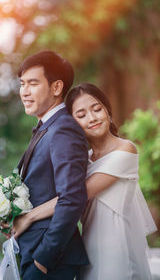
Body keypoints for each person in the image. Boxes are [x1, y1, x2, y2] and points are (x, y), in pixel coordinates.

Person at [13, 83, 157, 280]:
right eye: (81, 115)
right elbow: (60, 199)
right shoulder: (83, 159)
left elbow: (76, 195)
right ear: (73, 124)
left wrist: (29, 217)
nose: (92, 118)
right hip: (88, 248)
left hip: (118, 247)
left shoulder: (126, 150)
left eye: (97, 109)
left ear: (108, 111)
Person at [13, 51, 89, 280]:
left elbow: (72, 197)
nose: (24, 92)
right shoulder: (47, 127)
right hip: (35, 252)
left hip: (51, 261)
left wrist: (43, 260)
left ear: (56, 88)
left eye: (33, 83)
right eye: (22, 84)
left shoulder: (63, 128)